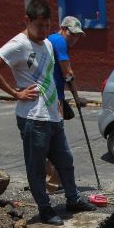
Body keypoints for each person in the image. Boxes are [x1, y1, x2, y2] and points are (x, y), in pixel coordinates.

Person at [0, 0, 96, 226]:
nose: (43, 30)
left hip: (52, 114)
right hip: (33, 117)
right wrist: (15, 93)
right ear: (27, 20)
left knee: (65, 160)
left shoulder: (48, 44)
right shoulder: (18, 44)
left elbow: (49, 77)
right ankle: (45, 209)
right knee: (37, 167)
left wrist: (59, 101)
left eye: (47, 25)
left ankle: (73, 199)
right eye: (39, 25)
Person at [45, 16, 86, 194]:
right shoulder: (60, 41)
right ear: (62, 28)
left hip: (51, 95)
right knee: (57, 141)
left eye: (78, 35)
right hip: (55, 98)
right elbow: (67, 72)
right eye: (72, 34)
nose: (74, 38)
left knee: (50, 139)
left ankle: (51, 181)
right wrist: (76, 97)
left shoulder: (52, 40)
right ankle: (54, 182)